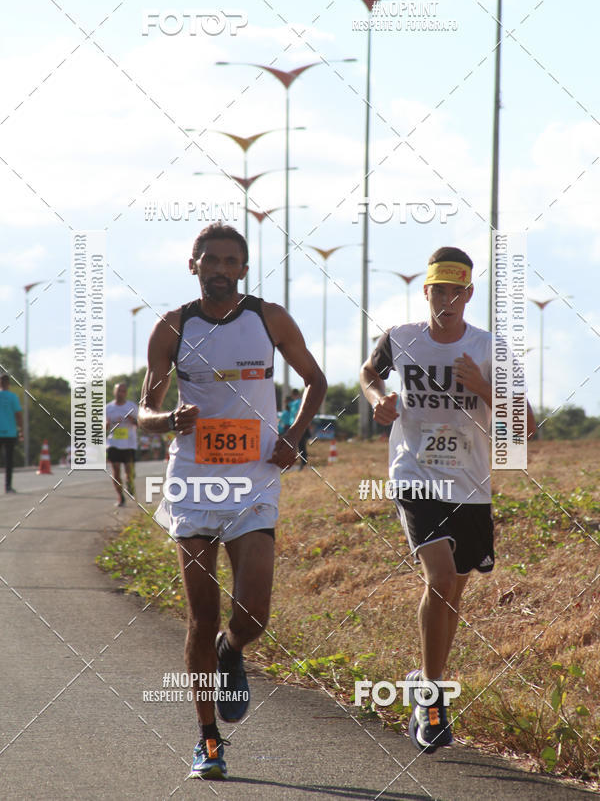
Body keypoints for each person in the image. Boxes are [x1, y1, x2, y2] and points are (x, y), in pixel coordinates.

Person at [138, 223, 326, 780]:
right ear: (192, 264)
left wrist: (294, 434)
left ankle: (233, 648)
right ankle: (207, 739)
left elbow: (315, 380)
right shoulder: (173, 327)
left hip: (254, 478)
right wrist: (167, 419)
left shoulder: (269, 319)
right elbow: (144, 413)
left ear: (243, 269)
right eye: (210, 260)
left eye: (230, 261)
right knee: (201, 617)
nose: (219, 269)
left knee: (252, 616)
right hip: (194, 482)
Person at [360, 246, 536, 753]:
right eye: (439, 291)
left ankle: (426, 677)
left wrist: (482, 386)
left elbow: (525, 425)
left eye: (457, 292)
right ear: (427, 292)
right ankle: (432, 698)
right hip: (414, 475)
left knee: (452, 592)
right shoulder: (401, 338)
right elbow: (370, 372)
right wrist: (378, 399)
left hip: (470, 483)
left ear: (469, 294)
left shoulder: (490, 348)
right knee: (438, 579)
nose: (448, 301)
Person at [106, 383, 138, 506]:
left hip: (129, 444)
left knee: (129, 472)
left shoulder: (132, 406)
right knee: (115, 471)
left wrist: (132, 420)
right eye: (119, 390)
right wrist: (106, 425)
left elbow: (140, 423)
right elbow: (102, 426)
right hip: (113, 443)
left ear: (126, 393)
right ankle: (120, 497)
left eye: (123, 391)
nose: (121, 393)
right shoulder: (108, 408)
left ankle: (130, 483)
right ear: (114, 392)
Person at [0, 374, 23, 493]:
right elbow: (18, 416)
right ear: (8, 383)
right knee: (9, 460)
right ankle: (8, 487)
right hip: (10, 432)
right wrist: (21, 431)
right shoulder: (13, 397)